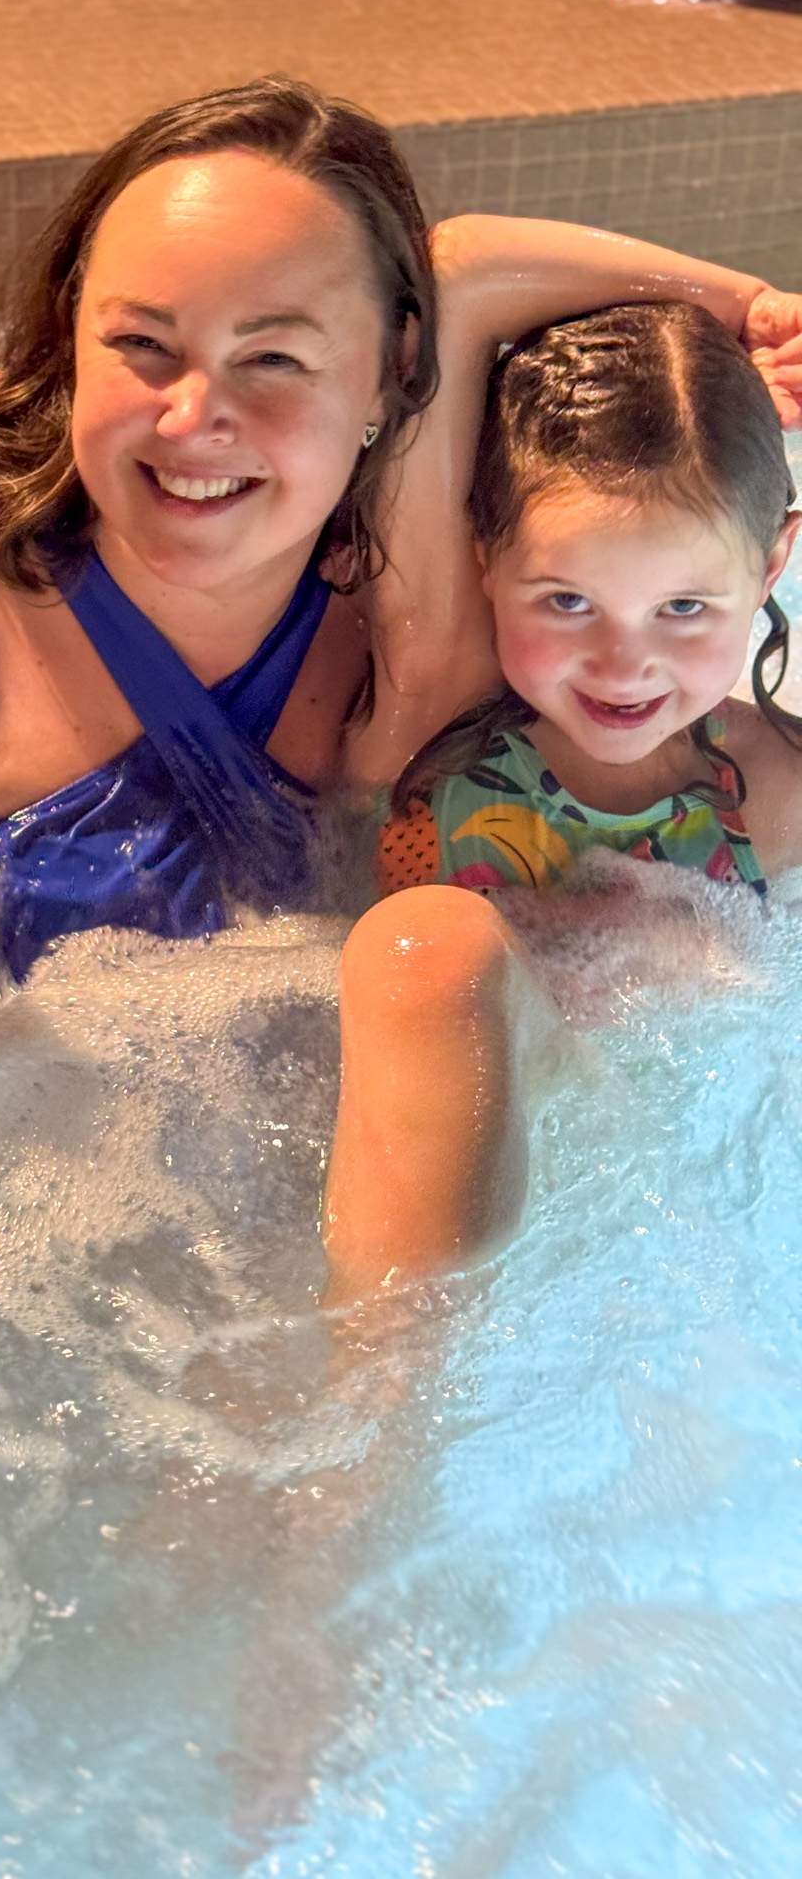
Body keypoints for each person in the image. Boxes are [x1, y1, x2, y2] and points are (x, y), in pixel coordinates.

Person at [0, 76, 802, 984]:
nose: (191, 420)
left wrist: (751, 307)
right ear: (72, 338)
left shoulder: (436, 620)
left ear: (393, 370)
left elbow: (463, 272)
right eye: (141, 341)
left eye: (274, 359)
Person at [324, 301, 802, 1300]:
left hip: (636, 1247)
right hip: (395, 1221)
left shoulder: (774, 791)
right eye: (568, 600)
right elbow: (458, 280)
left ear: (771, 568)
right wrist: (744, 301)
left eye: (684, 607)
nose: (624, 663)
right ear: (483, 556)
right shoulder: (424, 715)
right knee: (429, 953)